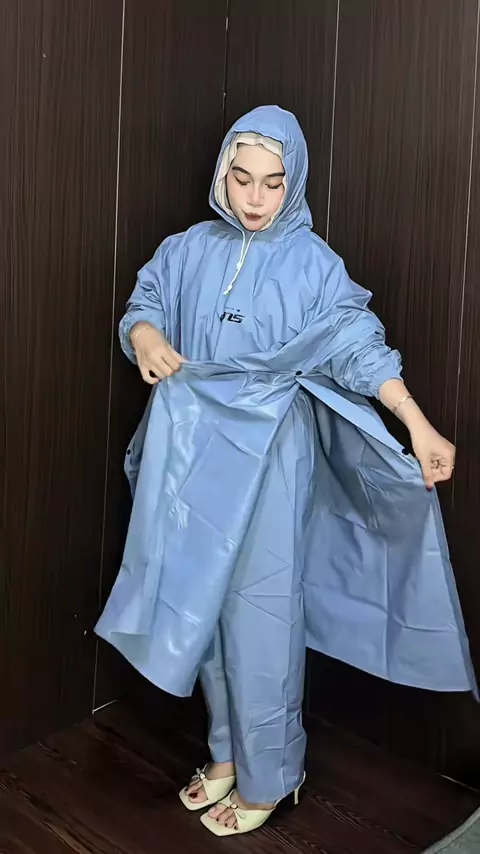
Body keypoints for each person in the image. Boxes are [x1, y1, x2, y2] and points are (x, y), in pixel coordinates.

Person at [96, 106, 474, 837]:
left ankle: (272, 771)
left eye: (272, 183)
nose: (255, 198)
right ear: (222, 174)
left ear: (293, 182)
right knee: (199, 602)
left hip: (270, 453)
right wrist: (143, 335)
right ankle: (226, 752)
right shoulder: (187, 249)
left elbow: (357, 343)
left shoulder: (312, 265)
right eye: (241, 179)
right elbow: (145, 302)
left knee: (260, 610)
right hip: (191, 449)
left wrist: (416, 422)